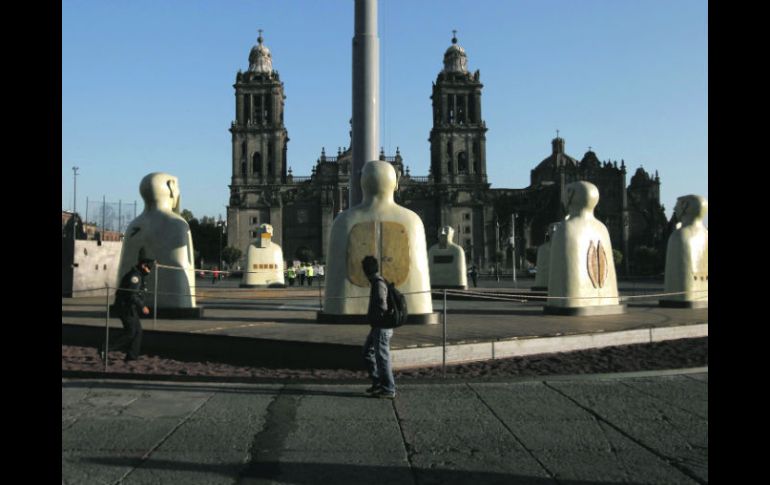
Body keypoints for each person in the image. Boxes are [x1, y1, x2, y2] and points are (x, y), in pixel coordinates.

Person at [100, 258, 152, 362]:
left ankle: (132, 356)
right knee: (130, 332)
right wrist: (142, 306)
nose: (149, 271)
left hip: (130, 307)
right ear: (143, 266)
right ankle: (105, 348)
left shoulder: (138, 275)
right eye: (149, 268)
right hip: (125, 307)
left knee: (138, 332)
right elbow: (131, 294)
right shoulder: (135, 277)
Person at [361, 255, 396, 399]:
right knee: (367, 353)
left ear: (366, 270)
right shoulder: (377, 281)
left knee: (382, 358)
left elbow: (382, 302)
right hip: (378, 326)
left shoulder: (378, 283)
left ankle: (388, 388)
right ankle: (378, 383)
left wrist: (379, 316)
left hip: (381, 326)